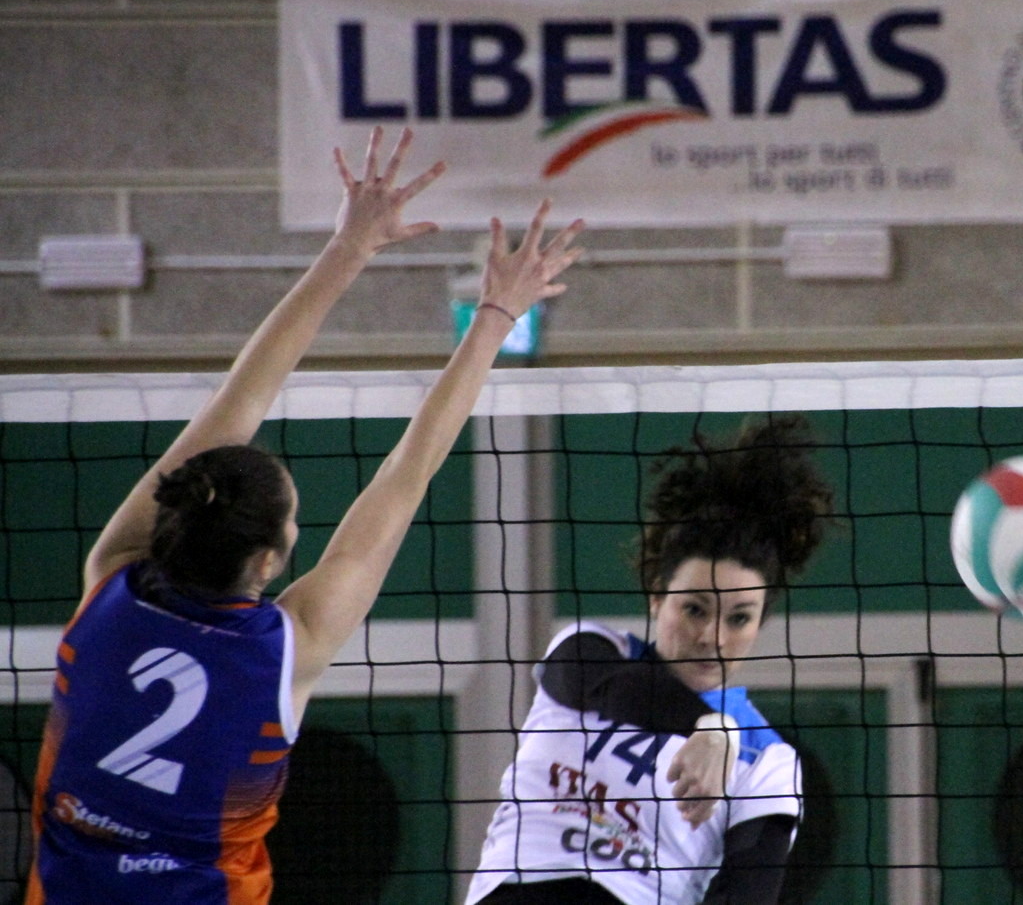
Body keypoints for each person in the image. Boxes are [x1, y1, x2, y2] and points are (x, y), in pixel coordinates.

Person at [26, 127, 585, 904]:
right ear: (267, 561)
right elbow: (406, 475)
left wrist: (348, 248)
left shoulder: (110, 585)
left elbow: (240, 398)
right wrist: (495, 314)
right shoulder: (284, 652)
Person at [465, 415, 834, 905]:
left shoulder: (767, 760)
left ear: (761, 622)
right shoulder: (590, 652)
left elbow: (747, 892)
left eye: (739, 618)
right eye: (695, 609)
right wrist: (710, 726)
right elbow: (618, 692)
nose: (712, 637)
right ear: (657, 597)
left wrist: (724, 730)